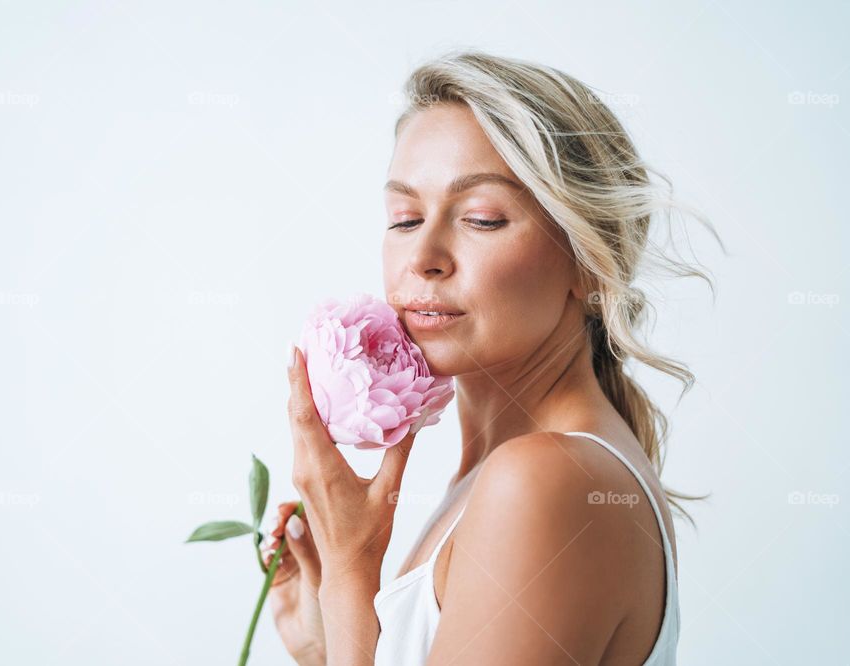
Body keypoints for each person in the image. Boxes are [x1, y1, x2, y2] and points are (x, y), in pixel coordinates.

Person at [262, 49, 720, 665]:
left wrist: (350, 572)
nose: (424, 255)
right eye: (404, 217)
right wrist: (328, 645)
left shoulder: (546, 482)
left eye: (481, 218)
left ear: (588, 261)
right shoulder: (501, 477)